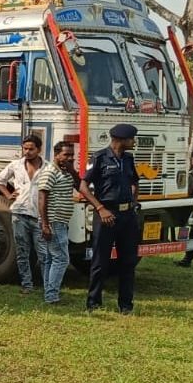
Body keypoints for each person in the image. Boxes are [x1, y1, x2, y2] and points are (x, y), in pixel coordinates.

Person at [82, 123, 142, 314]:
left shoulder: (129, 159)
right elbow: (83, 187)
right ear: (121, 140)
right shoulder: (99, 157)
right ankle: (94, 302)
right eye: (132, 139)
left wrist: (133, 202)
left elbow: (135, 182)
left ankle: (126, 305)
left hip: (127, 216)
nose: (134, 142)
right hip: (106, 214)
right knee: (100, 261)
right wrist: (100, 208)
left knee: (128, 261)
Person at [0, 135, 45, 295]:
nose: (28, 152)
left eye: (31, 149)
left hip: (38, 215)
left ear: (39, 149)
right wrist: (8, 195)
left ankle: (48, 286)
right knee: (22, 251)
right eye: (25, 148)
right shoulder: (16, 165)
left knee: (43, 253)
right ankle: (27, 285)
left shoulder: (48, 167)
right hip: (19, 213)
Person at [35, 141, 83, 304]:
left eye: (72, 155)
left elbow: (80, 186)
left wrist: (72, 169)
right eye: (66, 155)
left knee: (51, 258)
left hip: (61, 221)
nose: (70, 158)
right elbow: (42, 199)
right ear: (56, 155)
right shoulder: (50, 172)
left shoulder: (66, 172)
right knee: (61, 259)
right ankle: (52, 295)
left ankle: (49, 294)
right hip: (53, 222)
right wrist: (45, 224)